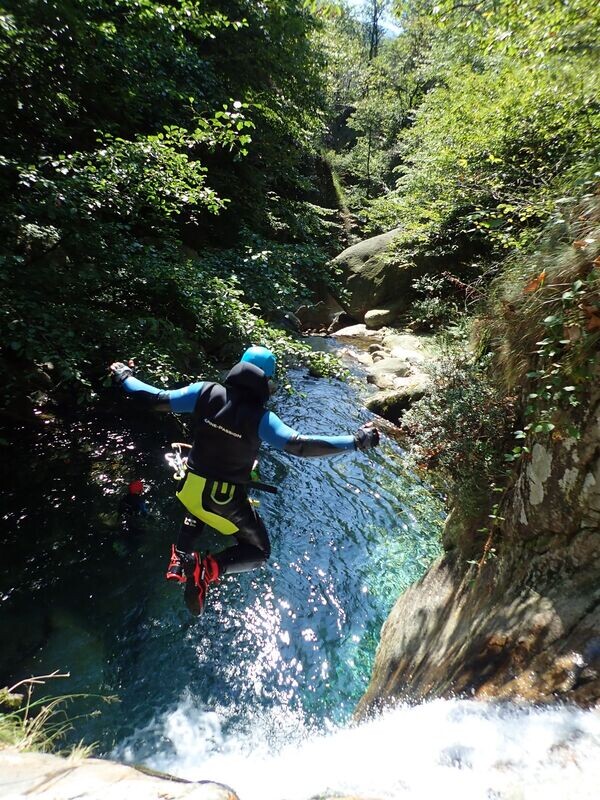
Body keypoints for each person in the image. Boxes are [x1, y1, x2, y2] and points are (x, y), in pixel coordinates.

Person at [110, 345, 379, 616]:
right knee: (258, 552)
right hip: (221, 500)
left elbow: (155, 398)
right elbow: (299, 445)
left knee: (198, 504)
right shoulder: (261, 419)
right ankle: (206, 569)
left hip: (188, 488)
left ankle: (180, 559)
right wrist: (355, 441)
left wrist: (124, 376)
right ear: (266, 383)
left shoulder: (204, 392)